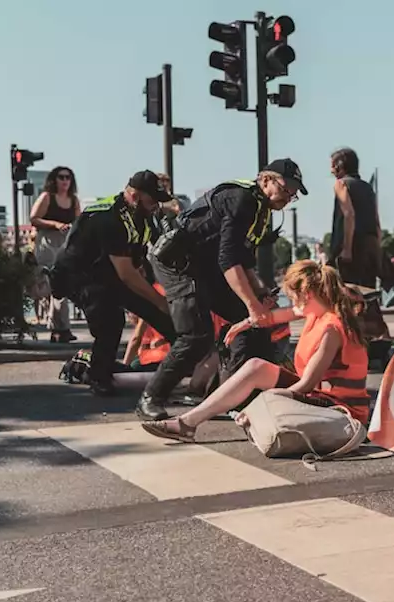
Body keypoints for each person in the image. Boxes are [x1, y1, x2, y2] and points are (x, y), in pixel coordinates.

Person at [137, 159, 307, 420]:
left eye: (293, 194)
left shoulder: (261, 210)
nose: (288, 196)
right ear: (265, 180)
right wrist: (252, 304)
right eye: (286, 189)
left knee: (253, 325)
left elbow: (243, 259)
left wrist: (260, 293)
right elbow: (229, 260)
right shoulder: (242, 200)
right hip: (177, 263)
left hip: (206, 266)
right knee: (196, 335)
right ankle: (151, 397)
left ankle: (243, 394)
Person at [141, 260, 370, 442]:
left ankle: (187, 423)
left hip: (342, 410)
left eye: (291, 296)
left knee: (261, 390)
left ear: (307, 294)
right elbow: (268, 318)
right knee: (255, 367)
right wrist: (244, 324)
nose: (289, 303)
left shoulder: (330, 329)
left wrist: (259, 406)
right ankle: (187, 423)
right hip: (321, 398)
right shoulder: (315, 311)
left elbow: (306, 385)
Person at [52, 170, 177, 396]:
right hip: (78, 275)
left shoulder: (141, 217)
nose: (155, 206)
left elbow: (138, 263)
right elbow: (126, 273)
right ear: (136, 196)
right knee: (110, 319)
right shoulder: (109, 217)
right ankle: (98, 377)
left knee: (158, 311)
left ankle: (185, 361)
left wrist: (163, 304)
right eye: (152, 200)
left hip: (108, 272)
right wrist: (160, 300)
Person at [329, 147, 389, 339]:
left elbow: (349, 215)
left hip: (353, 245)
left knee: (347, 294)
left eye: (332, 166)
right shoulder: (367, 187)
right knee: (368, 295)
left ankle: (353, 339)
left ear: (340, 166)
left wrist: (346, 248)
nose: (331, 170)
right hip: (370, 245)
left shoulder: (341, 184)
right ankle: (379, 334)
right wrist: (377, 247)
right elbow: (377, 221)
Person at [30, 167, 80, 343]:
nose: (65, 181)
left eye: (68, 177)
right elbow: (34, 218)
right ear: (54, 179)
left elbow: (78, 222)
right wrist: (55, 224)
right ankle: (61, 328)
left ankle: (59, 328)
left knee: (62, 285)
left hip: (65, 244)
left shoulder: (73, 200)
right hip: (47, 243)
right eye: (61, 177)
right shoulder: (46, 197)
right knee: (54, 285)